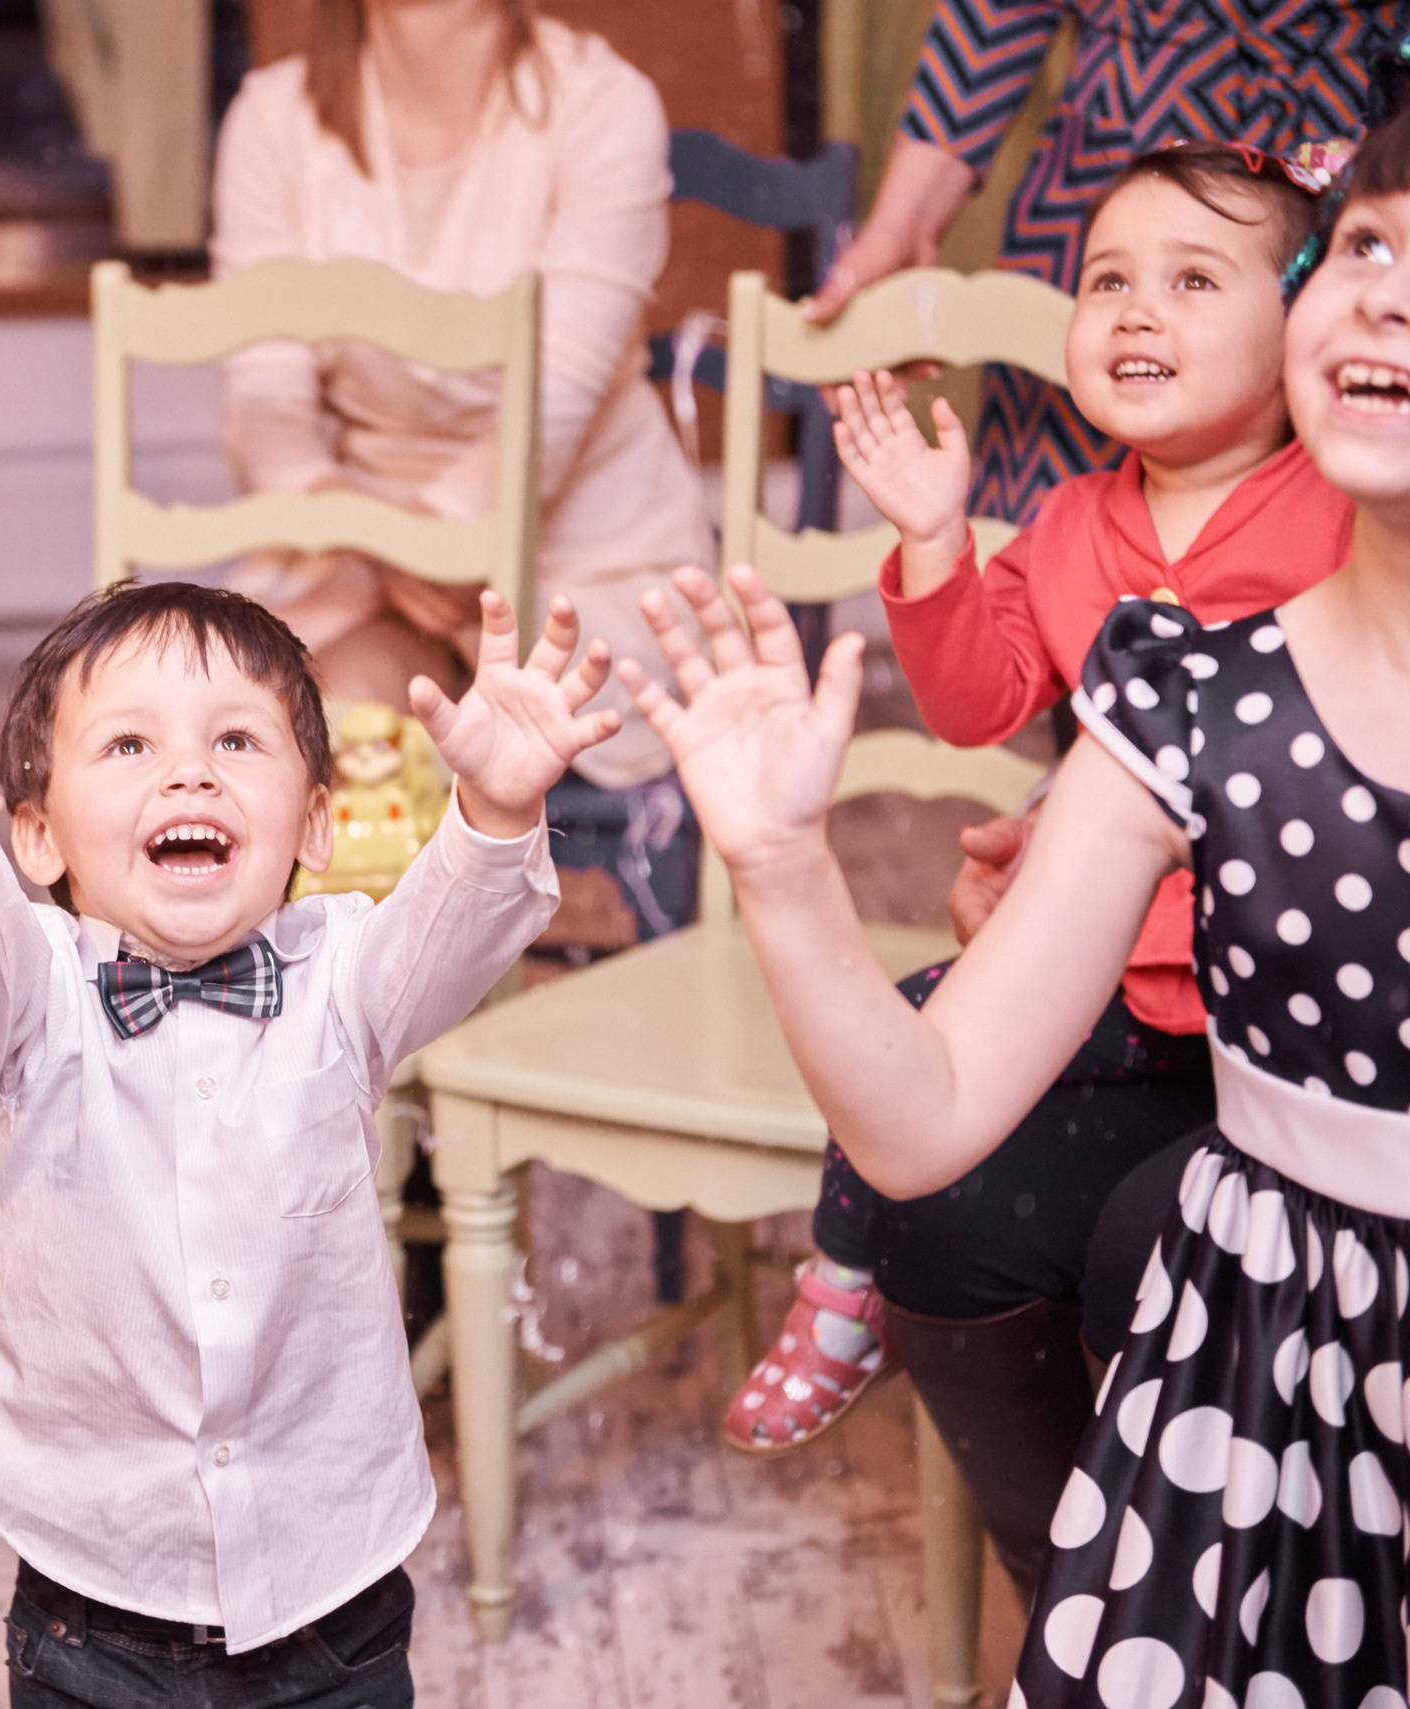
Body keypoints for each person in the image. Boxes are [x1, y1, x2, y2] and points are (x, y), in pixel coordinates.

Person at [623, 95, 1410, 1702]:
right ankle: (1067, 1571)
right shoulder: (1160, 648)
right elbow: (989, 709)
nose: (1387, 299)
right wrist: (785, 856)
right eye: (1371, 247)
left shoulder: (1320, 512)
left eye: (1196, 279)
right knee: (976, 1199)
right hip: (1200, 1117)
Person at [0, 579, 613, 1704]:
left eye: (236, 740)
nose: (190, 774)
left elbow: (455, 929)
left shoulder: (346, 979)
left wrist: (499, 809)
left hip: (332, 1585)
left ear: (314, 823)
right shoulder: (31, 1001)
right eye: (129, 744)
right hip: (93, 1594)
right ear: (38, 836)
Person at [211, 0, 713, 941]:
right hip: (358, 553)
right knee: (309, 726)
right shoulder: (272, 121)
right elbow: (269, 416)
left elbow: (546, 420)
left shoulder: (603, 105)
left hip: (585, 564)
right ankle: (358, 1017)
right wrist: (386, 552)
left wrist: (401, 553)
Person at [808, 0, 1400, 523]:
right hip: (1117, 142)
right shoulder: (1058, 532)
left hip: (1360, 149)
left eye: (1195, 281)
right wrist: (903, 225)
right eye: (1111, 283)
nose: (1137, 315)